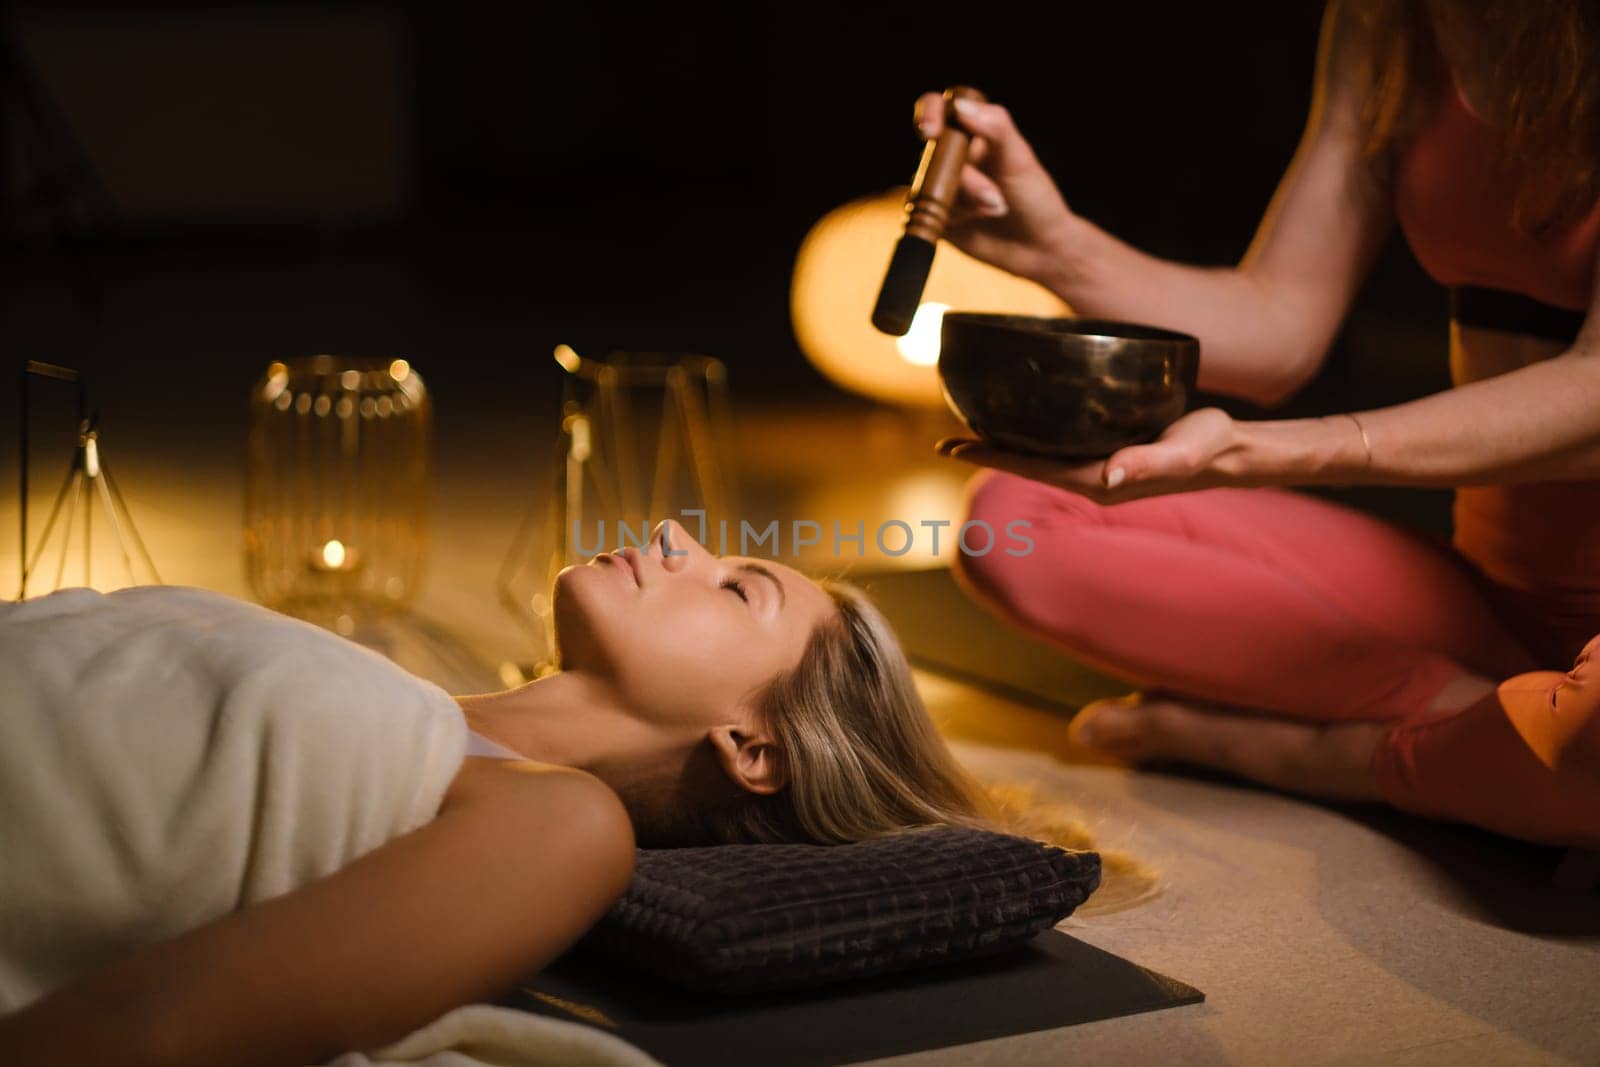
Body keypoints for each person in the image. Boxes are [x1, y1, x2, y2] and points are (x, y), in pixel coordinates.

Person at [919, 0, 1600, 849]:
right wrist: (1056, 248)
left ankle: (1322, 753)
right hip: (1500, 601)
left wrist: (1265, 450)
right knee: (1012, 524)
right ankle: (1498, 721)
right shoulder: (1387, 20)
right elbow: (1282, 326)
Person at [0, 518, 990, 1066]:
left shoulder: (562, 819)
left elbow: (157, 1028)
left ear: (755, 745)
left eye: (738, 588)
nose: (674, 532)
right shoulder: (395, 694)